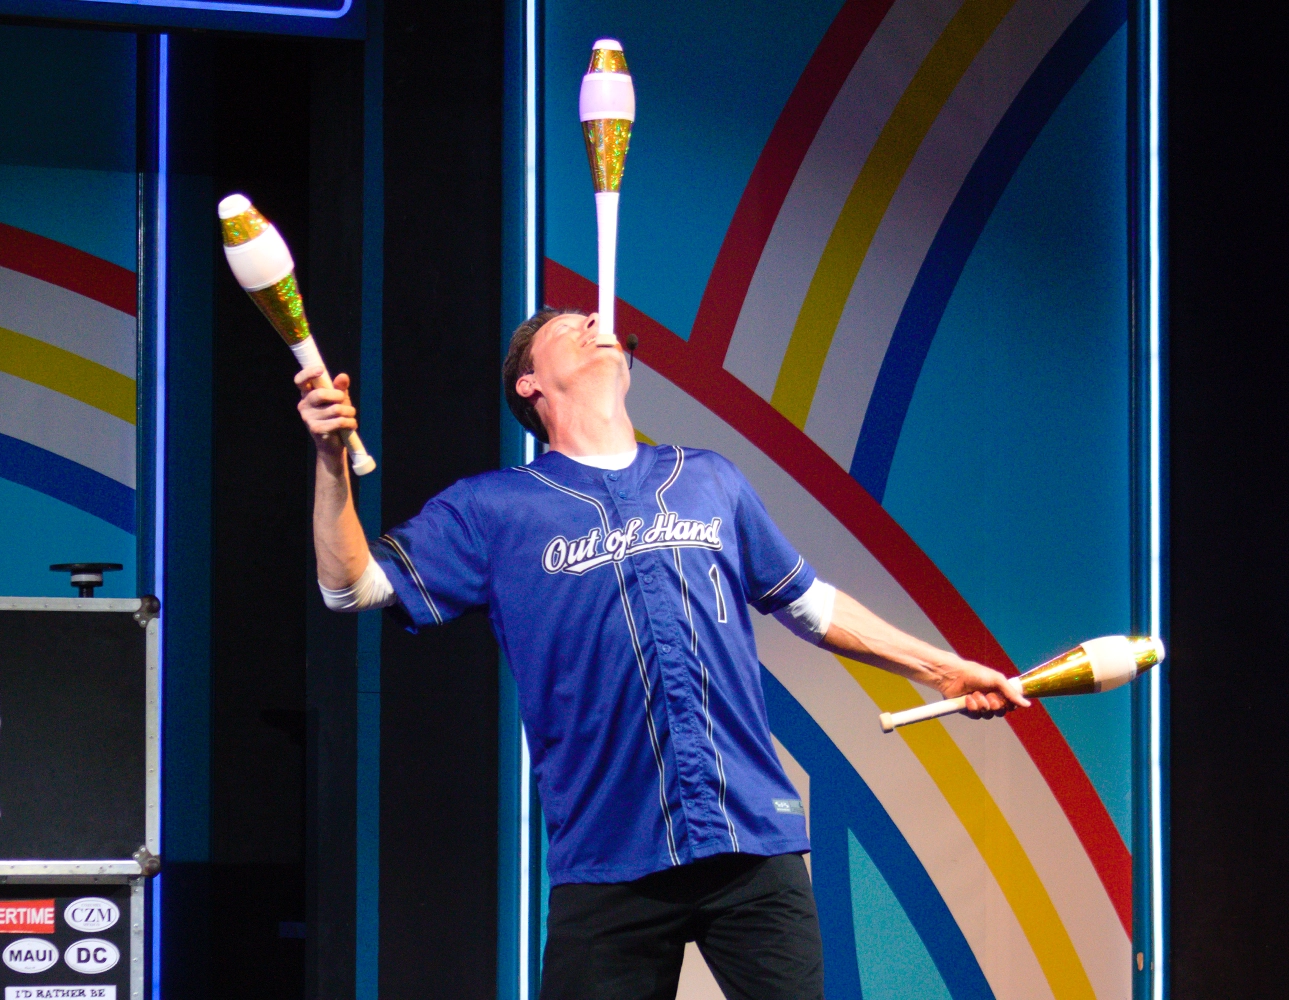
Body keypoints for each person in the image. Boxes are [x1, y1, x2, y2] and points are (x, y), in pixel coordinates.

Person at [299, 309, 1027, 1000]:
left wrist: (940, 667)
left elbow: (809, 602)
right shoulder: (493, 509)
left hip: (750, 837)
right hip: (609, 858)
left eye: (599, 322)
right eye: (567, 326)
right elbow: (350, 586)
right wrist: (331, 464)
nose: (594, 324)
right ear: (528, 383)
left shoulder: (709, 478)